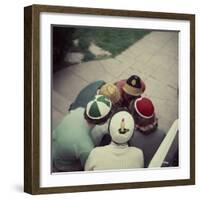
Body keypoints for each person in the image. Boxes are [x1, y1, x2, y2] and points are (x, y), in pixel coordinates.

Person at [52, 95, 113, 172]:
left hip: (54, 146)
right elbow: (87, 167)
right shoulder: (86, 147)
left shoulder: (79, 110)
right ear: (102, 122)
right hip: (63, 166)